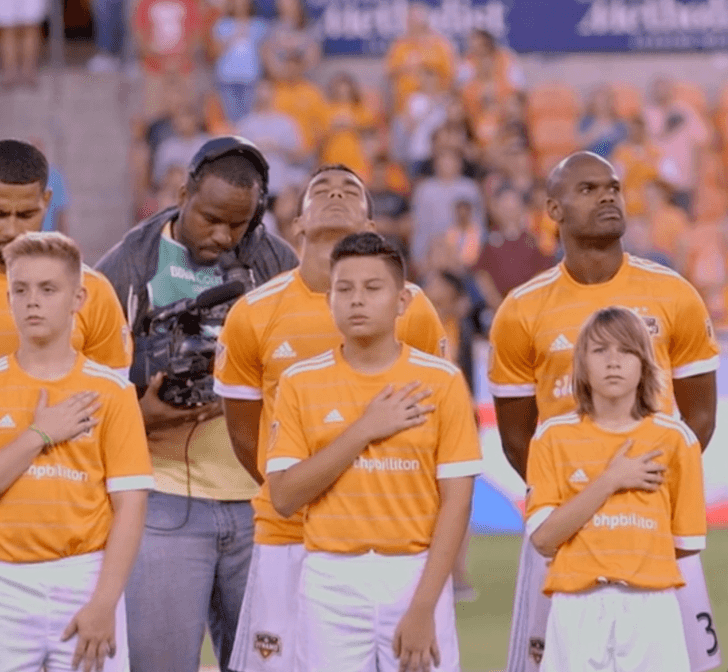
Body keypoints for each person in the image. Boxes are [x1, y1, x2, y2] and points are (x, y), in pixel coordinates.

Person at [489, 151, 721, 672]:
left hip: (652, 523)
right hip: (564, 531)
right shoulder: (521, 310)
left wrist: (646, 486)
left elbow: (699, 420)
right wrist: (575, 498)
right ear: (554, 208)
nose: (608, 196)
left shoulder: (673, 294)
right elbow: (515, 436)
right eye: (589, 189)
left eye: (613, 187)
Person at [215, 165, 449, 672]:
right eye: (320, 191)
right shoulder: (253, 313)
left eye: (351, 192)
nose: (336, 195)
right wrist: (305, 491)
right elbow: (243, 431)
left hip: (393, 538)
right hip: (288, 534)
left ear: (370, 223)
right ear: (295, 223)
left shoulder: (416, 310)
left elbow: (433, 411)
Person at [95, 136, 298, 672]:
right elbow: (87, 388)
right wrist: (141, 417)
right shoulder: (126, 267)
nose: (222, 235)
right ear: (182, 191)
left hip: (259, 500)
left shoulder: (277, 263)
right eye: (210, 218)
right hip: (162, 498)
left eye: (239, 224)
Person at [266, 232, 478, 672]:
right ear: (330, 301)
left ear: (402, 301)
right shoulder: (300, 382)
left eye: (372, 288)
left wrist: (424, 607)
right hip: (330, 579)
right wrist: (363, 430)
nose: (356, 300)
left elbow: (457, 502)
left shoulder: (441, 382)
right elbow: (284, 497)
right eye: (344, 289)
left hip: (416, 573)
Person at [0, 232, 153, 672]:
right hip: (7, 579)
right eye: (20, 290)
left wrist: (105, 602)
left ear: (78, 298)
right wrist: (38, 435)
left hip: (84, 576)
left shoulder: (113, 392)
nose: (33, 302)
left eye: (48, 289)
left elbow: (130, 506)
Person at [526, 306, 706, 672]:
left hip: (651, 609)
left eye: (626, 351)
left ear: (644, 364)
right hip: (577, 607)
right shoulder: (552, 437)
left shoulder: (675, 439)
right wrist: (611, 480)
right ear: (581, 363)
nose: (613, 361)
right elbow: (544, 538)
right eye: (600, 350)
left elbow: (684, 544)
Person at [0, 140, 132, 373]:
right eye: (0, 215)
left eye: (26, 214)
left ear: (46, 202)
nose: (12, 230)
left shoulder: (92, 290)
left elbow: (111, 398)